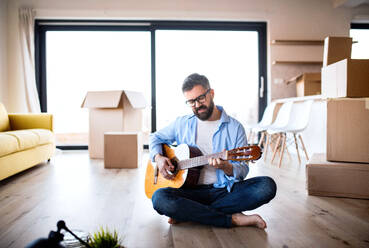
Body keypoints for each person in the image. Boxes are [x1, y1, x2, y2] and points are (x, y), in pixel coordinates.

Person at [149, 73, 277, 228]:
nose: (196, 105)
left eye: (200, 98)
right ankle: (232, 219)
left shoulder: (235, 128)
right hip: (189, 192)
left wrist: (226, 167)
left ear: (211, 93)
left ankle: (188, 213)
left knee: (266, 186)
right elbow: (154, 138)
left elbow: (242, 170)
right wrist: (158, 158)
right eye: (191, 102)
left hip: (224, 191)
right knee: (159, 198)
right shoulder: (181, 123)